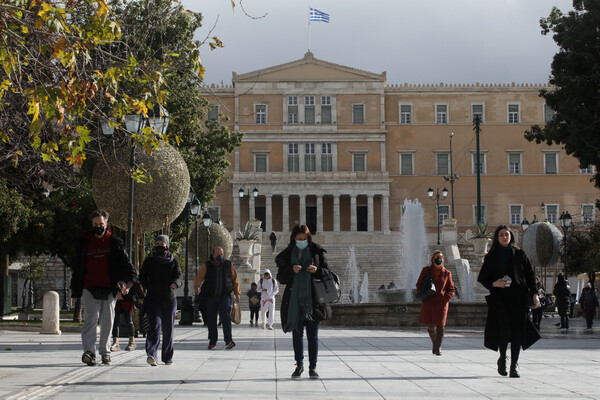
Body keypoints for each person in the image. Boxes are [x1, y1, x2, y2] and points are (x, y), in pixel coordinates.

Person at [71, 209, 137, 366]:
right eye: (95, 224)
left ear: (106, 224)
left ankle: (105, 352)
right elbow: (77, 267)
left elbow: (127, 267)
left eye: (101, 224)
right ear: (91, 225)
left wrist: (124, 283)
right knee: (90, 319)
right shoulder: (84, 243)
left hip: (109, 288)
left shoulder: (115, 243)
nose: (98, 226)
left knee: (108, 321)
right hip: (89, 287)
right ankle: (89, 352)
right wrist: (75, 290)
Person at [477, 225, 540, 378]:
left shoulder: (520, 254)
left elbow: (530, 276)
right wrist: (494, 283)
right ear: (497, 238)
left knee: (518, 331)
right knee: (504, 331)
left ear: (511, 236)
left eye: (506, 234)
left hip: (518, 298)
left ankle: (514, 365)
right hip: (500, 299)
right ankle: (502, 358)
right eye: (501, 235)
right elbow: (483, 278)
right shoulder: (491, 257)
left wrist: (535, 294)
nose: (504, 237)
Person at [277, 224, 331, 380]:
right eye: (299, 239)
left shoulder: (316, 252)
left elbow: (327, 272)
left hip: (313, 300)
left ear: (309, 238)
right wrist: (290, 270)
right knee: (297, 334)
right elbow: (281, 278)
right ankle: (299, 365)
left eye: (304, 239)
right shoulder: (287, 255)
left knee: (313, 337)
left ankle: (313, 367)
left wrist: (317, 271)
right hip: (294, 302)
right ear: (294, 239)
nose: (302, 241)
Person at [139, 235, 182, 366]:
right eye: (157, 243)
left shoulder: (174, 261)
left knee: (168, 329)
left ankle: (167, 357)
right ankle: (151, 355)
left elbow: (179, 276)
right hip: (153, 299)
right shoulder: (149, 261)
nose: (159, 246)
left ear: (166, 245)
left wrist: (175, 283)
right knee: (155, 327)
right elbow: (142, 276)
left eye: (162, 243)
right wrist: (147, 286)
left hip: (169, 299)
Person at [194, 246, 240, 350]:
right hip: (211, 296)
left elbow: (235, 279)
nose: (220, 256)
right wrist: (197, 286)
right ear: (213, 255)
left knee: (226, 318)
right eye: (218, 254)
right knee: (211, 319)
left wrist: (237, 293)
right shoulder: (207, 265)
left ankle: (228, 340)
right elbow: (199, 277)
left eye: (222, 254)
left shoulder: (228, 265)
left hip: (225, 296)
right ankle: (212, 341)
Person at [416, 250, 455, 356]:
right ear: (432, 259)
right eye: (436, 257)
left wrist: (446, 298)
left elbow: (451, 289)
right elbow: (418, 284)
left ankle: (438, 348)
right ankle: (435, 345)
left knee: (441, 325)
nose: (438, 259)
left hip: (441, 303)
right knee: (431, 326)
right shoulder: (426, 270)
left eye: (440, 257)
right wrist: (424, 294)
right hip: (428, 302)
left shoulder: (447, 273)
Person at [110, 287, 137, 352]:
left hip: (129, 297)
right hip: (117, 297)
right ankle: (115, 342)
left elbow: (134, 278)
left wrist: (127, 287)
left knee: (129, 320)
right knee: (115, 321)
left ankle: (132, 341)